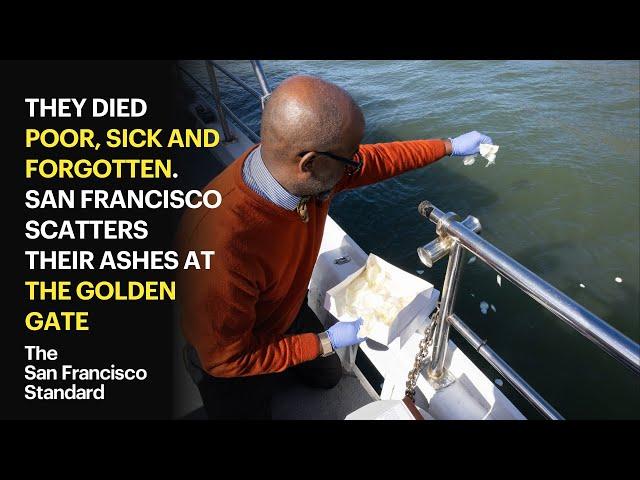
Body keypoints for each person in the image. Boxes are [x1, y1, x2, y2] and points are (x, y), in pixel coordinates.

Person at [176, 74, 492, 419]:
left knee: (328, 378)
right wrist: (324, 342)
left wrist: (447, 146)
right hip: (231, 346)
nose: (356, 164)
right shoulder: (220, 247)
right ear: (309, 163)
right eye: (348, 157)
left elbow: (378, 160)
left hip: (283, 307)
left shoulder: (296, 173)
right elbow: (227, 358)